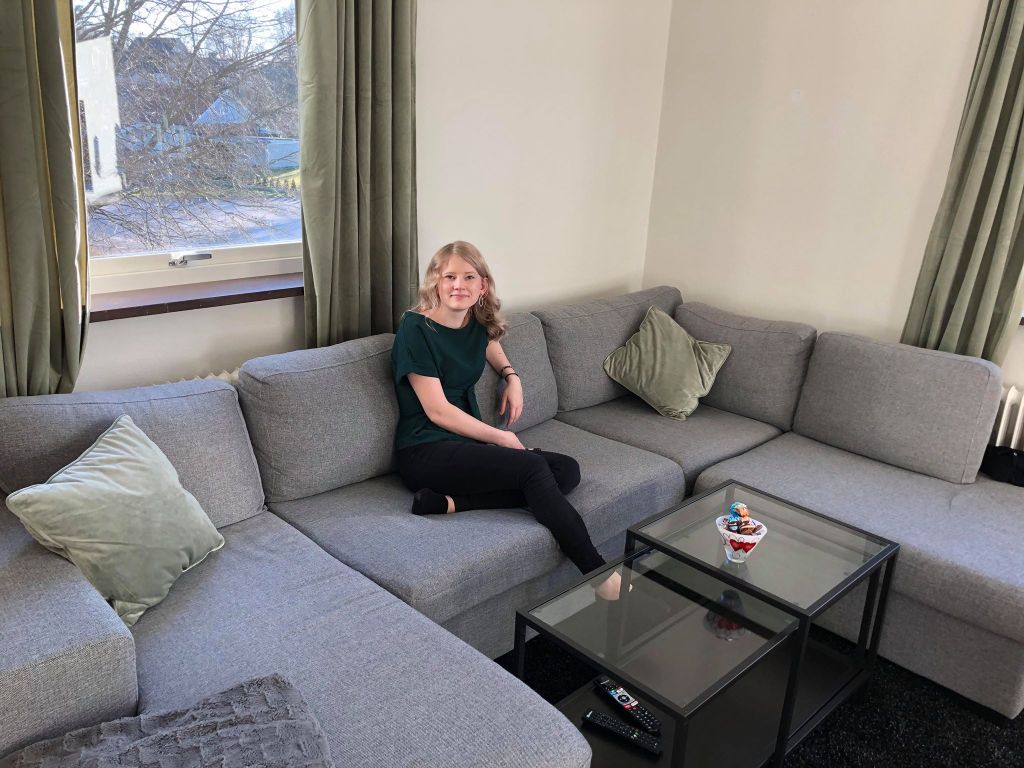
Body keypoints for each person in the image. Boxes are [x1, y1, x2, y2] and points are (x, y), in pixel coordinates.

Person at [391, 241, 625, 600]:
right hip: (424, 449)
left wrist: (511, 377)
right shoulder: (415, 328)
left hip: (465, 447)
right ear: (435, 282)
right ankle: (598, 572)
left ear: (483, 285)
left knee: (566, 470)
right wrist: (500, 437)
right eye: (449, 277)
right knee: (533, 469)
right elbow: (437, 410)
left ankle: (451, 503)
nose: (459, 285)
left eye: (469, 277)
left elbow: (490, 345)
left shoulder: (473, 322)